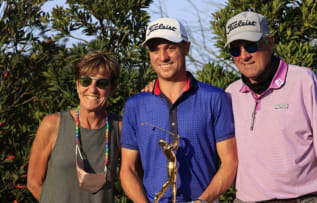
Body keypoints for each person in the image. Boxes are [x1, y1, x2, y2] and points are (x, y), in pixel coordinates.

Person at [224, 11, 317, 203]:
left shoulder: (304, 82)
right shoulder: (230, 94)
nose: (244, 55)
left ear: (270, 42)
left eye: (251, 45)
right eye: (235, 50)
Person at [120, 17, 238, 203]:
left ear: (186, 48)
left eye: (170, 47)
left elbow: (230, 163)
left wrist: (202, 201)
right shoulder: (135, 105)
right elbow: (128, 169)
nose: (163, 56)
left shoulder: (214, 98)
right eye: (155, 49)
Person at [27, 51, 122, 203]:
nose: (92, 89)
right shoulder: (52, 124)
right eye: (86, 81)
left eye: (102, 83)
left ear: (112, 88)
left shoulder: (119, 128)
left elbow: (136, 174)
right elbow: (33, 182)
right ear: (77, 84)